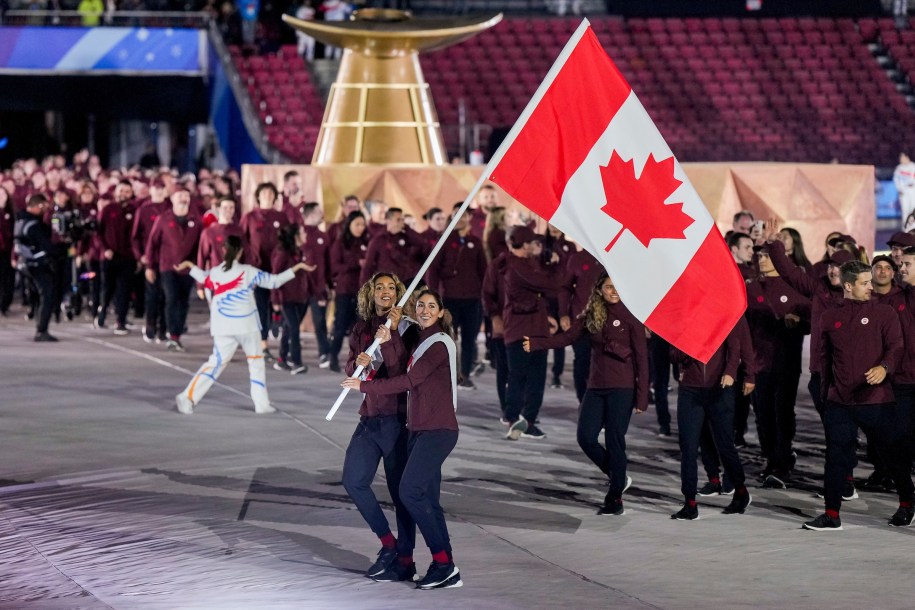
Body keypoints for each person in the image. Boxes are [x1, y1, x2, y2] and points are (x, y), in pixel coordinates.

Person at [342, 289, 462, 590]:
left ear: (440, 311)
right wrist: (367, 360)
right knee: (428, 501)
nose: (424, 310)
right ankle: (444, 564)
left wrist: (363, 386)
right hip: (418, 428)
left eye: (431, 306)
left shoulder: (438, 342)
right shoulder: (420, 341)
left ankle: (442, 563)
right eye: (420, 305)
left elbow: (408, 381)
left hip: (437, 429)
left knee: (409, 492)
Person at [524, 273, 648, 515]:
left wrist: (642, 397)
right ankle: (618, 476)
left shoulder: (631, 316)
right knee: (586, 437)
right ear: (599, 289)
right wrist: (538, 343)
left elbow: (642, 360)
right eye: (609, 287)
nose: (614, 291)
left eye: (617, 287)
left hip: (622, 388)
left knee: (615, 441)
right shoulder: (592, 315)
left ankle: (615, 498)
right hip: (596, 386)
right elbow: (567, 338)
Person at [804, 261, 914, 530]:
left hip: (876, 399)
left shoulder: (884, 313)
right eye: (865, 283)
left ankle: (907, 504)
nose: (871, 286)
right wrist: (826, 397)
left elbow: (896, 347)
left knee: (892, 455)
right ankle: (831, 514)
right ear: (849, 286)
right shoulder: (829, 317)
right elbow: (824, 359)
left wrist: (884, 368)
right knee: (836, 456)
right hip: (839, 402)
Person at [173, 235, 312, 415]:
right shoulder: (248, 271)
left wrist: (190, 266)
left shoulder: (215, 272)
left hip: (223, 326)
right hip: (247, 325)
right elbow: (274, 281)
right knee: (256, 363)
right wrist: (297, 268)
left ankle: (188, 397)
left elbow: (203, 277)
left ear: (224, 250)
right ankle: (261, 404)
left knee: (215, 364)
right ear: (240, 252)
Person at [338, 272, 416, 583]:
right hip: (369, 418)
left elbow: (400, 371)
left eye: (391, 288)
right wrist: (358, 361)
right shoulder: (361, 327)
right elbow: (351, 371)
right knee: (353, 481)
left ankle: (406, 560)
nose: (385, 292)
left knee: (401, 495)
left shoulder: (408, 328)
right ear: (370, 294)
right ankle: (389, 545)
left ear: (399, 293)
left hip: (396, 420)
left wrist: (393, 333)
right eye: (379, 287)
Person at [669, 319, 755, 520]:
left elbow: (735, 346)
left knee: (724, 444)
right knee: (688, 447)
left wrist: (731, 372)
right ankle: (690, 503)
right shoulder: (683, 318)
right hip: (690, 391)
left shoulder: (723, 312)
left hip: (720, 389)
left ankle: (741, 492)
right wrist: (688, 347)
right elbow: (673, 354)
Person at [745, 245, 811, 487]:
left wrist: (799, 322)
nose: (762, 259)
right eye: (760, 256)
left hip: (786, 364)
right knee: (763, 415)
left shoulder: (793, 285)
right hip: (759, 363)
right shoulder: (751, 287)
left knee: (782, 413)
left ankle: (782, 462)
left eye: (767, 255)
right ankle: (772, 459)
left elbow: (813, 319)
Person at [501, 225, 558, 440]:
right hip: (522, 331)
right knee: (526, 377)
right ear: (524, 245)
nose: (536, 245)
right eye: (532, 242)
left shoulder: (519, 262)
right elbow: (547, 285)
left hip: (532, 328)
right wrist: (554, 268)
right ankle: (517, 418)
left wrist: (546, 318)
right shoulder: (518, 266)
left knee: (530, 377)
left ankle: (524, 420)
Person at [427, 203, 486, 389]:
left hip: (471, 300)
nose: (460, 219)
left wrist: (483, 296)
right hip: (449, 299)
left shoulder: (475, 242)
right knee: (448, 339)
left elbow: (484, 271)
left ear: (469, 218)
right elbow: (433, 268)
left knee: (470, 339)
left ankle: (464, 375)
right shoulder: (444, 240)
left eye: (464, 215)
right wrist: (433, 296)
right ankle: (446, 374)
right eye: (457, 215)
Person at [145, 190, 202, 352]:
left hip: (188, 268)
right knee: (171, 298)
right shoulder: (163, 219)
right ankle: (172, 334)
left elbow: (200, 245)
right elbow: (152, 243)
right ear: (172, 198)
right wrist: (150, 266)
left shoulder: (196, 220)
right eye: (180, 195)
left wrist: (197, 266)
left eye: (186, 195)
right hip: (167, 267)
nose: (184, 198)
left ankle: (176, 333)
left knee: (183, 301)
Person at [240, 182, 289, 362]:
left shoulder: (282, 217)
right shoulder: (250, 217)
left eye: (271, 192)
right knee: (260, 306)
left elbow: (289, 240)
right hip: (258, 270)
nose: (267, 195)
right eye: (264, 192)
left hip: (277, 269)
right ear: (258, 196)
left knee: (276, 303)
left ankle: (275, 321)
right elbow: (242, 241)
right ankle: (263, 344)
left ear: (275, 197)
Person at [328, 211, 370, 372]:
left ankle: (357, 362)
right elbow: (335, 266)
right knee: (340, 327)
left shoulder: (367, 242)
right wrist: (355, 263)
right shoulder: (340, 243)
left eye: (362, 224)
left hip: (361, 292)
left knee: (359, 329)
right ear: (349, 225)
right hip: (345, 291)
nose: (360, 228)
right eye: (357, 224)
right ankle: (333, 356)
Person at [14, 194, 59, 341]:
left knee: (38, 296)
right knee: (47, 295)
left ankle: (40, 325)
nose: (45, 210)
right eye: (43, 207)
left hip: (25, 264)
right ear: (38, 206)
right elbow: (46, 245)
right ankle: (42, 330)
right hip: (37, 264)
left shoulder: (21, 221)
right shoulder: (33, 224)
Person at [132, 179, 170, 343]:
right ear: (151, 190)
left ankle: (163, 328)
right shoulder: (144, 209)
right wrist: (140, 255)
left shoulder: (170, 208)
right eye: (156, 188)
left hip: (168, 258)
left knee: (166, 295)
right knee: (152, 294)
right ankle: (150, 325)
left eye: (162, 188)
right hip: (151, 258)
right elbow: (135, 236)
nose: (159, 191)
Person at [271, 224, 311, 374]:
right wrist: (275, 298)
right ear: (296, 236)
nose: (305, 235)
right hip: (286, 298)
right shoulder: (282, 254)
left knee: (289, 328)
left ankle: (281, 358)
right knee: (294, 328)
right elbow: (275, 277)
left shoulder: (300, 252)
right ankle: (297, 362)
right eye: (302, 232)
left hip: (301, 297)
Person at [299, 202, 331, 367]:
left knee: (320, 322)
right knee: (292, 322)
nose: (322, 214)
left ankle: (324, 353)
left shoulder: (323, 237)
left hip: (318, 288)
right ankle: (289, 354)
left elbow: (327, 263)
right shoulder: (299, 235)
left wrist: (329, 284)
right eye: (319, 212)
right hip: (300, 288)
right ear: (311, 215)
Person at [894, 153, 915, 229]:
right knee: (905, 210)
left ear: (907, 157)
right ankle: (905, 229)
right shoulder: (899, 168)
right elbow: (896, 179)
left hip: (913, 190)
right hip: (903, 191)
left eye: (902, 157)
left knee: (913, 209)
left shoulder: (913, 166)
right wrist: (899, 189)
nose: (901, 159)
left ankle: (913, 229)